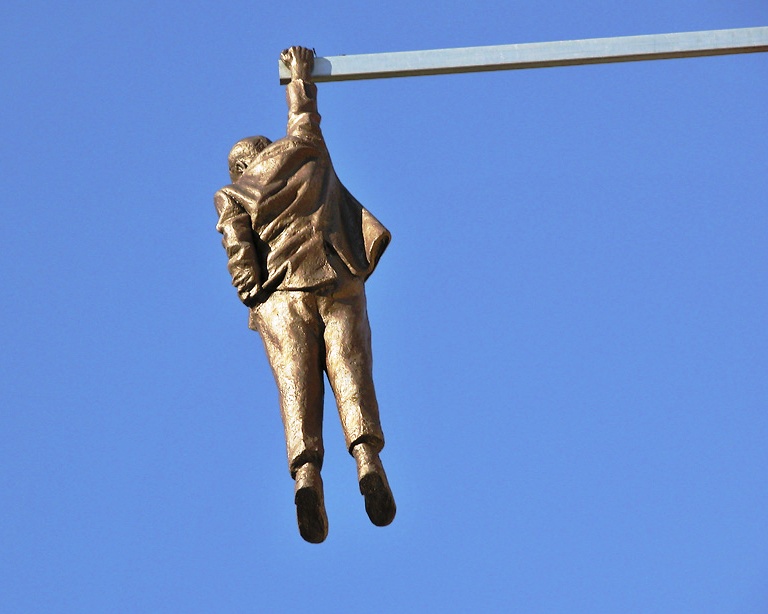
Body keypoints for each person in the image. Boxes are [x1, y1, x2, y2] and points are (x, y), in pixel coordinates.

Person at [214, 46, 395, 543]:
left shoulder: (232, 196)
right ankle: (367, 460)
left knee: (297, 388)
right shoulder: (305, 148)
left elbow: (240, 262)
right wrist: (298, 70)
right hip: (336, 279)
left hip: (282, 301)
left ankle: (307, 475)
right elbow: (303, 109)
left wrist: (255, 296)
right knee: (350, 368)